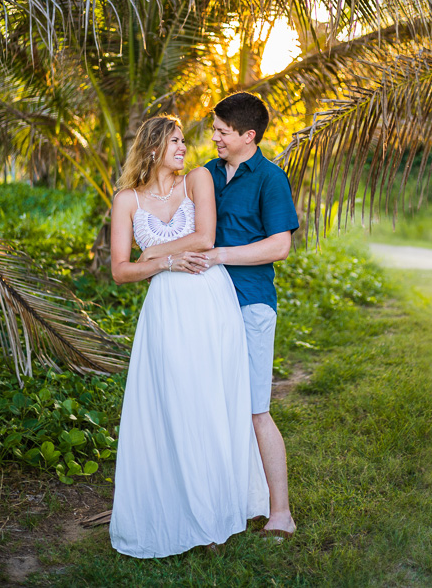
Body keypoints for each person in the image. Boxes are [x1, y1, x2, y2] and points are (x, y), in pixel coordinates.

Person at [107, 114, 269, 558]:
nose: (184, 147)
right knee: (173, 404)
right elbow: (122, 271)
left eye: (183, 141)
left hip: (209, 302)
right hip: (166, 309)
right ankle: (177, 510)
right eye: (176, 141)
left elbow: (205, 236)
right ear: (154, 145)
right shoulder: (126, 200)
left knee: (211, 402)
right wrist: (163, 264)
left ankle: (217, 515)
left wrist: (154, 249)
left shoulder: (197, 179)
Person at [175, 92, 299, 539]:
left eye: (223, 132)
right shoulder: (205, 174)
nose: (215, 138)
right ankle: (217, 503)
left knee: (254, 409)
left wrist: (221, 255)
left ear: (248, 136)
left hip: (249, 304)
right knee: (207, 405)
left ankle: (280, 512)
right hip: (203, 305)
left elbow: (279, 246)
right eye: (215, 130)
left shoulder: (270, 178)